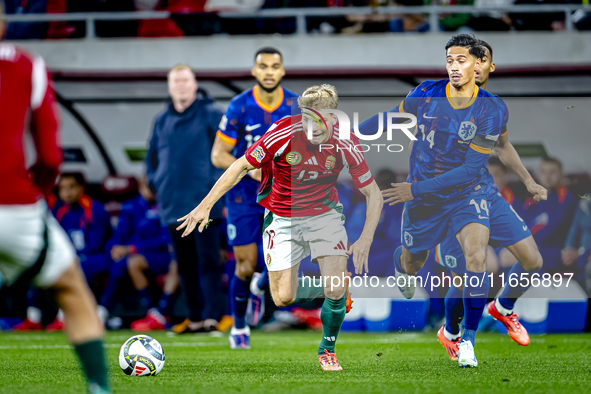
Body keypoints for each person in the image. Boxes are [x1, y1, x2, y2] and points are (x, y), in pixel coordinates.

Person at [178, 84, 383, 370]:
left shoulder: (345, 141)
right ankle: (262, 283)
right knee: (283, 297)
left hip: (325, 215)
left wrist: (365, 239)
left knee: (335, 289)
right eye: (308, 119)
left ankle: (327, 349)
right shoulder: (284, 132)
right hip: (281, 216)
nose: (312, 127)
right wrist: (206, 204)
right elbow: (240, 166)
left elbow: (373, 193)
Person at [365, 34, 507, 368]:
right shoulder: (425, 93)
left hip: (464, 194)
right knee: (414, 261)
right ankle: (404, 265)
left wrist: (415, 189)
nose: (454, 67)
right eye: (450, 60)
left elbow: (472, 168)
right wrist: (350, 133)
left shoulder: (491, 109)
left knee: (477, 258)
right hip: (424, 201)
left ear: (478, 64)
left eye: (462, 60)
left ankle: (467, 340)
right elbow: (392, 118)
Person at [0, 5, 110, 392]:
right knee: (73, 292)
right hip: (13, 204)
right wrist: (38, 192)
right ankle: (99, 388)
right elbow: (49, 157)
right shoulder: (26, 66)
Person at [434, 39, 546, 363]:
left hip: (486, 191)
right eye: (457, 60)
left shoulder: (494, 106)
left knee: (533, 262)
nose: (472, 65)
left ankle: (502, 307)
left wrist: (528, 181)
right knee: (477, 262)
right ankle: (464, 338)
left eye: (480, 59)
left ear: (488, 66)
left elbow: (503, 147)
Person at [210, 47, 299, 348]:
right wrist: (250, 170)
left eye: (275, 66)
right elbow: (218, 155)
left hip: (283, 192)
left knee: (284, 264)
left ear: (283, 71)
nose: (270, 71)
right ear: (254, 71)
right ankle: (238, 328)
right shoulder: (239, 106)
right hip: (244, 195)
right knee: (245, 265)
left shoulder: (297, 105)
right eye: (264, 66)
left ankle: (261, 286)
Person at [146, 64, 225, 333]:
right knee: (184, 265)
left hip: (204, 202)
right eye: (175, 81)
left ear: (194, 84)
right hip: (172, 204)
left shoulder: (211, 114)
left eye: (185, 80)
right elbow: (152, 156)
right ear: (170, 86)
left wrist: (214, 191)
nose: (180, 85)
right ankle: (193, 318)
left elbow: (226, 152)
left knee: (209, 262)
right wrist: (154, 181)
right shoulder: (160, 119)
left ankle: (212, 317)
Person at [15, 172, 113, 331]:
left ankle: (64, 317)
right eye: (63, 188)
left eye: (72, 187)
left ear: (82, 188)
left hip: (96, 259)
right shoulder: (59, 210)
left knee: (78, 265)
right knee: (39, 265)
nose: (67, 193)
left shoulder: (95, 210)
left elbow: (95, 246)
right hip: (73, 257)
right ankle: (33, 318)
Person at [97, 176, 178, 331]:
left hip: (160, 256)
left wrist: (132, 248)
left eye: (152, 186)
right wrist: (115, 248)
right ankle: (106, 312)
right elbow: (119, 235)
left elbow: (164, 241)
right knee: (119, 263)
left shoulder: (166, 206)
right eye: (146, 186)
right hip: (135, 255)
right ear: (140, 187)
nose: (149, 190)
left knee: (134, 262)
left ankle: (157, 312)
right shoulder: (130, 206)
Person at [520, 157, 577, 273]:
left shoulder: (566, 198)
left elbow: (549, 231)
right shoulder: (531, 200)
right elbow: (518, 226)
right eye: (543, 172)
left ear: (561, 175)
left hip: (556, 252)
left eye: (552, 172)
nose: (547, 176)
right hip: (533, 248)